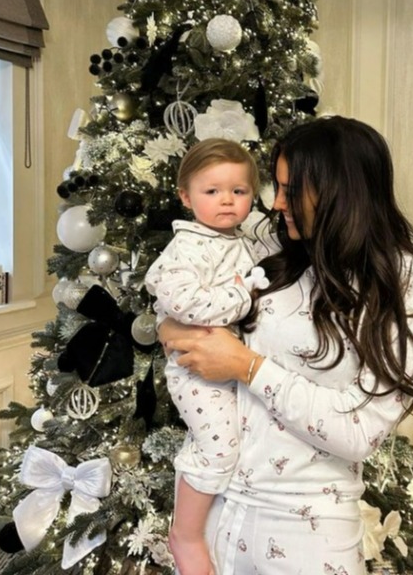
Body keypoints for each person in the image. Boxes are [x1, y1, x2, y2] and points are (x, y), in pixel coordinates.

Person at [159, 116, 413, 575]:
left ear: (340, 191)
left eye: (291, 190)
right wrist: (171, 330)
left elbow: (359, 432)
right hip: (218, 507)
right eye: (276, 186)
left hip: (308, 526)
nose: (275, 203)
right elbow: (185, 295)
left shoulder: (406, 281)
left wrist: (246, 366)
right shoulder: (269, 246)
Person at [145, 138, 272, 575]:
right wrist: (244, 294)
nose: (227, 201)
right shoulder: (186, 248)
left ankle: (218, 531)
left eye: (238, 192)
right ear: (185, 196)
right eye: (212, 191)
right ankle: (186, 535)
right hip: (196, 371)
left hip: (231, 366)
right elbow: (186, 306)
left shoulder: (242, 241)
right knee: (219, 450)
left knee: (233, 445)